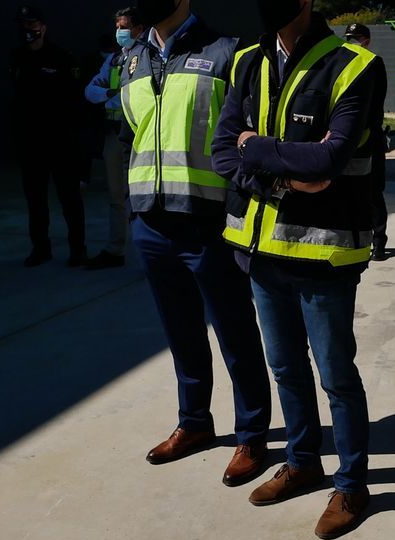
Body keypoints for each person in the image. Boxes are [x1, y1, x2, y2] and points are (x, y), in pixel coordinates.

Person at [212, 0, 380, 540]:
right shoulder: (246, 62)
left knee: (336, 377)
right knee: (285, 368)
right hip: (261, 253)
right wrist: (278, 177)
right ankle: (304, 462)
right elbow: (221, 150)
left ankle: (351, 484)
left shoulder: (355, 65)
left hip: (324, 255)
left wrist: (255, 148)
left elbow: (327, 162)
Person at [118, 0, 272, 487]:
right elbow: (133, 137)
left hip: (209, 224)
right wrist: (134, 209)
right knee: (181, 333)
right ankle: (195, 423)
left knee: (235, 334)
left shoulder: (227, 53)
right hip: (152, 225)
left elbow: (247, 139)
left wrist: (236, 207)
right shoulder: (133, 60)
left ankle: (252, 434)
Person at [11, 5, 86, 267]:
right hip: (31, 144)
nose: (28, 29)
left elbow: (76, 101)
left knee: (69, 199)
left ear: (43, 27)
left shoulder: (62, 58)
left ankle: (78, 249)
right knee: (36, 201)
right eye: (24, 24)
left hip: (60, 142)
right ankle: (40, 248)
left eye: (33, 24)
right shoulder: (17, 57)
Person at [83, 7, 145, 270]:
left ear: (139, 28)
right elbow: (90, 90)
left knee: (144, 199)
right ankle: (115, 249)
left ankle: (150, 254)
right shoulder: (114, 60)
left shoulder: (147, 58)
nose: (120, 32)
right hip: (114, 135)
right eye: (118, 27)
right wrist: (112, 93)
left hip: (140, 138)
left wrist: (114, 95)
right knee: (116, 197)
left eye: (125, 26)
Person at [344, 23, 389, 261]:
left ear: (367, 41)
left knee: (372, 193)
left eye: (357, 38)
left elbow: (374, 106)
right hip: (345, 141)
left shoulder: (373, 64)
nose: (352, 42)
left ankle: (379, 242)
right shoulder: (339, 62)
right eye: (349, 38)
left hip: (369, 140)